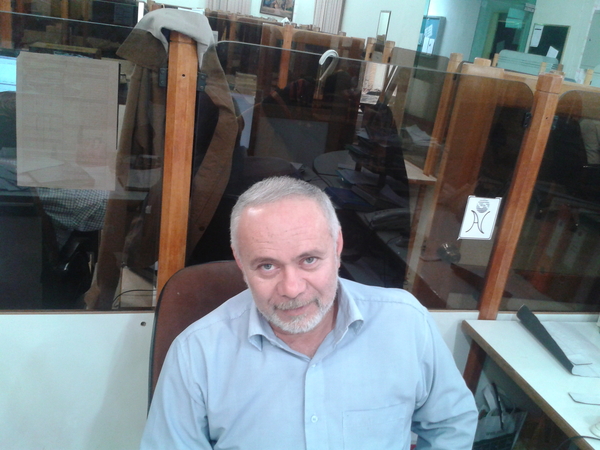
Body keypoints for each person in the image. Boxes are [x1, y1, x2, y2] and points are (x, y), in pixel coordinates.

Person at [141, 176, 478, 450]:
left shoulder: (406, 323)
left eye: (309, 260)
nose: (292, 288)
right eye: (268, 266)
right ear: (241, 262)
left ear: (337, 247)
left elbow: (451, 423)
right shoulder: (196, 353)